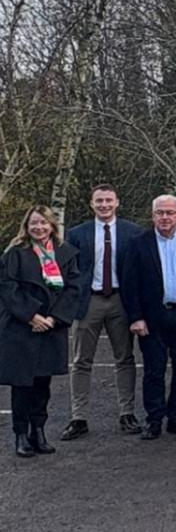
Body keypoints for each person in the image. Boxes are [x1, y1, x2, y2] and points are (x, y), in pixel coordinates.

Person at [121, 195, 176, 440]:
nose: (165, 217)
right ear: (152, 216)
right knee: (154, 371)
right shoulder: (138, 244)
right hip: (152, 317)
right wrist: (136, 318)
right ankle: (154, 420)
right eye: (160, 212)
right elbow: (130, 284)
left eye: (170, 213)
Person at [62, 184, 144, 440]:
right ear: (92, 204)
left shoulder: (133, 232)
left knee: (125, 358)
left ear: (117, 202)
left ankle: (127, 413)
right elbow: (69, 271)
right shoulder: (77, 234)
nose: (104, 205)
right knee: (81, 361)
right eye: (99, 201)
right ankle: (78, 417)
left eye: (109, 200)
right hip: (89, 301)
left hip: (121, 301)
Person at [1, 206, 81, 457]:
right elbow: (8, 288)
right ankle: (21, 435)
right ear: (26, 226)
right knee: (22, 385)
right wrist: (31, 316)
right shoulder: (15, 253)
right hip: (22, 327)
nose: (39, 228)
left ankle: (39, 431)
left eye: (43, 223)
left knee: (42, 384)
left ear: (52, 225)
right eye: (34, 223)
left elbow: (73, 289)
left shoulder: (65, 253)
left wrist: (54, 318)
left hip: (51, 327)